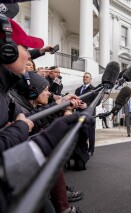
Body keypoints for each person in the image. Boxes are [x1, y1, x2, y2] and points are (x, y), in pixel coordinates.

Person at [0, 15, 86, 213]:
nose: (29, 57)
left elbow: (30, 116)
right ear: (7, 52)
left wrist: (62, 103)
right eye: (25, 49)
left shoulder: (5, 90)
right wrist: (22, 129)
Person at [75, 72, 98, 156]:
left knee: (90, 133)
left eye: (87, 77)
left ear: (90, 79)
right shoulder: (78, 89)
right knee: (80, 131)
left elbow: (97, 102)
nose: (85, 78)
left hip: (89, 114)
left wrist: (86, 105)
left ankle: (91, 150)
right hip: (79, 113)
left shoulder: (94, 89)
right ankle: (82, 148)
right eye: (84, 77)